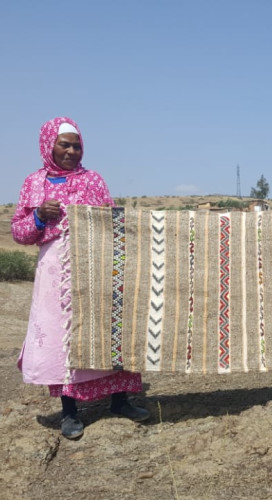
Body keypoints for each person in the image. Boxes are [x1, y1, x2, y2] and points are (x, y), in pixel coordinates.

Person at [11, 117, 150, 439]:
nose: (72, 151)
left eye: (77, 145)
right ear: (49, 146)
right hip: (55, 270)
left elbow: (112, 222)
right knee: (63, 338)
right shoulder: (34, 183)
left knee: (106, 329)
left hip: (96, 266)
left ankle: (120, 400)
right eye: (65, 144)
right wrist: (37, 216)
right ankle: (70, 412)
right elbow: (19, 233)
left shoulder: (93, 180)